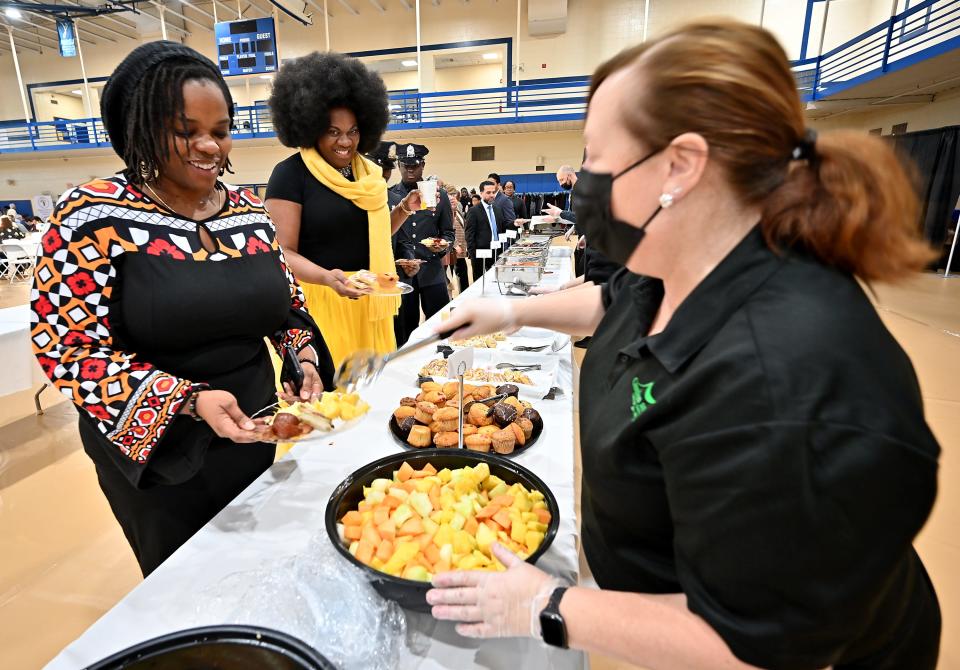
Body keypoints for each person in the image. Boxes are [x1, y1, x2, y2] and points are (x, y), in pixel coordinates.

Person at [428, 21, 940, 669]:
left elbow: (751, 643)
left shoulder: (783, 383)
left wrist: (547, 607)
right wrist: (507, 311)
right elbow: (616, 306)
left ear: (679, 165)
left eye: (593, 156)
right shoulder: (678, 261)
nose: (579, 178)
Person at [30, 41, 335, 577]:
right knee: (190, 583)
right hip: (159, 448)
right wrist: (187, 401)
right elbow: (67, 347)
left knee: (260, 565)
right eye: (184, 129)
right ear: (139, 128)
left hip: (252, 429)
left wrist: (304, 359)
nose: (208, 145)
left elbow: (287, 309)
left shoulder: (247, 212)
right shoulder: (92, 215)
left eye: (219, 130)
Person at [265, 52, 421, 367]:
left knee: (369, 400)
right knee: (329, 403)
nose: (345, 141)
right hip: (321, 305)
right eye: (333, 131)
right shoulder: (290, 174)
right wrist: (328, 279)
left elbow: (367, 236)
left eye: (353, 131)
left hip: (369, 302)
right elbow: (281, 254)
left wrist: (403, 209)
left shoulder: (366, 175)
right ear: (310, 127)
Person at [389, 142, 454, 345]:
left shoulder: (438, 195)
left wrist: (444, 246)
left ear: (423, 165)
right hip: (402, 274)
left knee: (440, 328)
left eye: (415, 165)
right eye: (405, 165)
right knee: (403, 331)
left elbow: (448, 233)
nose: (410, 169)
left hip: (432, 271)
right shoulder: (388, 195)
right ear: (399, 165)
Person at [464, 180, 506, 282]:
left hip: (496, 252)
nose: (491, 195)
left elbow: (502, 228)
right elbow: (469, 235)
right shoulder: (473, 211)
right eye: (488, 193)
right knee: (480, 283)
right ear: (481, 193)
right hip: (480, 254)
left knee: (496, 282)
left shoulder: (497, 209)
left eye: (493, 192)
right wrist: (473, 254)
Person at [445, 184, 470, 292]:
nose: (453, 197)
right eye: (450, 194)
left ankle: (464, 295)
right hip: (451, 251)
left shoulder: (457, 210)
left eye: (454, 194)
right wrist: (455, 245)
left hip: (461, 250)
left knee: (462, 274)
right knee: (450, 276)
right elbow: (446, 230)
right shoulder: (445, 212)